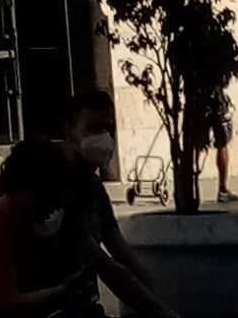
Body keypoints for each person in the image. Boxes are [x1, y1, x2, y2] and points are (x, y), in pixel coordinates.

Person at [34, 92, 176, 318]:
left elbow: (118, 246)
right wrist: (159, 310)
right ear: (69, 130)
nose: (103, 137)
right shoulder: (55, 183)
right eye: (93, 127)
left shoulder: (91, 183)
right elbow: (104, 265)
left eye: (108, 129)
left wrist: (156, 287)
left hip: (83, 306)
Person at [0, 140, 96, 318]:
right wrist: (64, 290)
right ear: (33, 189)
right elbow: (9, 303)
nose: (54, 208)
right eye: (52, 196)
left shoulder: (12, 223)